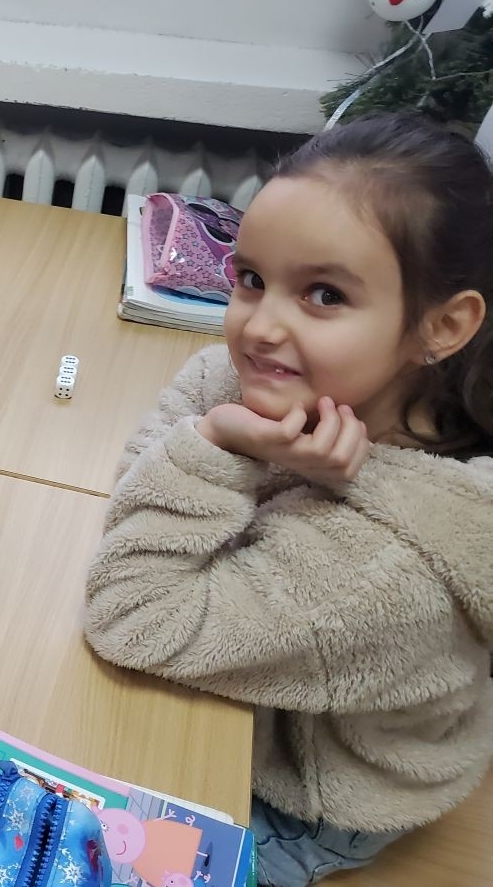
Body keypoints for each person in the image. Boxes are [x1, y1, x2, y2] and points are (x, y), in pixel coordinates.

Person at [83, 114, 493, 886]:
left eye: (324, 294)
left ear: (442, 326)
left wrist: (220, 444)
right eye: (251, 279)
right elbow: (136, 483)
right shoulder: (269, 383)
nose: (260, 327)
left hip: (305, 796)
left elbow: (128, 614)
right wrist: (220, 440)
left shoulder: (392, 567)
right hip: (259, 683)